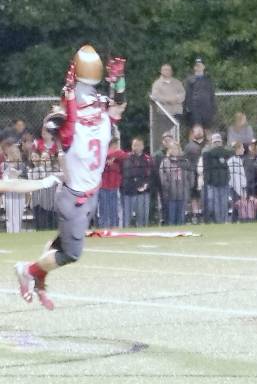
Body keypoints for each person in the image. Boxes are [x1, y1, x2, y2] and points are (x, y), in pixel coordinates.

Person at [14, 44, 127, 310]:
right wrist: (67, 106)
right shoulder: (68, 115)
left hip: (90, 190)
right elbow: (54, 126)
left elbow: (118, 106)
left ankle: (39, 281)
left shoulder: (100, 108)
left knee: (61, 242)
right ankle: (28, 270)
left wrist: (118, 82)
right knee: (71, 253)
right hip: (75, 194)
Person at [150, 63, 186, 147]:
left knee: (176, 135)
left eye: (169, 70)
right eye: (165, 70)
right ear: (161, 71)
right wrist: (168, 100)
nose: (167, 71)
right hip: (164, 114)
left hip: (176, 113)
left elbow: (182, 94)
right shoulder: (157, 84)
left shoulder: (177, 82)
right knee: (165, 135)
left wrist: (176, 99)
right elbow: (155, 96)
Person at [121, 137, 153, 227]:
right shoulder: (126, 158)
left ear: (143, 146)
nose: (136, 147)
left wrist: (146, 185)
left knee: (143, 215)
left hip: (144, 191)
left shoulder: (148, 159)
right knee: (127, 215)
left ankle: (143, 229)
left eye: (139, 145)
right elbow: (123, 173)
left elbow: (151, 175)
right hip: (128, 191)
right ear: (132, 146)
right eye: (134, 145)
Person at [202, 133, 232, 223]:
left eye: (218, 142)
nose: (217, 144)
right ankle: (217, 221)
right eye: (215, 142)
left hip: (224, 182)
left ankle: (224, 221)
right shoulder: (207, 153)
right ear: (211, 143)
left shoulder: (226, 152)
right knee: (215, 205)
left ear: (221, 142)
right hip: (213, 183)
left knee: (224, 204)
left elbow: (231, 152)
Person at [98, 137, 127, 228]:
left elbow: (124, 155)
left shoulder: (117, 154)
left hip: (114, 185)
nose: (117, 146)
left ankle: (114, 226)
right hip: (103, 185)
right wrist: (110, 158)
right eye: (115, 144)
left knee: (114, 208)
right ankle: (104, 227)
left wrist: (113, 157)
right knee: (104, 209)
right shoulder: (102, 153)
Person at [184, 58, 217, 130]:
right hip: (195, 111)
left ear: (204, 67)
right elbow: (188, 96)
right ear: (194, 67)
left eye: (200, 65)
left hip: (207, 110)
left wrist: (213, 109)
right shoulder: (190, 80)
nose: (198, 67)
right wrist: (189, 110)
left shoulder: (208, 80)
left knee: (207, 130)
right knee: (194, 131)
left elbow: (212, 96)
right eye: (197, 66)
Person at [184, 124, 206, 224]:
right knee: (194, 196)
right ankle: (195, 215)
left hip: (204, 174)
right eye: (197, 131)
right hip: (194, 174)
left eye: (200, 130)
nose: (199, 132)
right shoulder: (190, 146)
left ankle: (202, 215)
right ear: (193, 134)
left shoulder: (206, 145)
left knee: (202, 196)